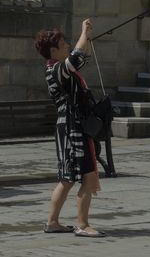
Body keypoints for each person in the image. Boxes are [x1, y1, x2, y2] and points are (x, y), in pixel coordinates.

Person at [34, 20, 107, 237]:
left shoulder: (59, 67)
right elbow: (76, 57)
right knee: (84, 176)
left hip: (74, 127)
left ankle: (53, 222)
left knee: (68, 179)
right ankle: (83, 226)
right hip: (72, 129)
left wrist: (87, 37)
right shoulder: (56, 70)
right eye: (63, 43)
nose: (67, 45)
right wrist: (84, 32)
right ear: (53, 50)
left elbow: (82, 55)